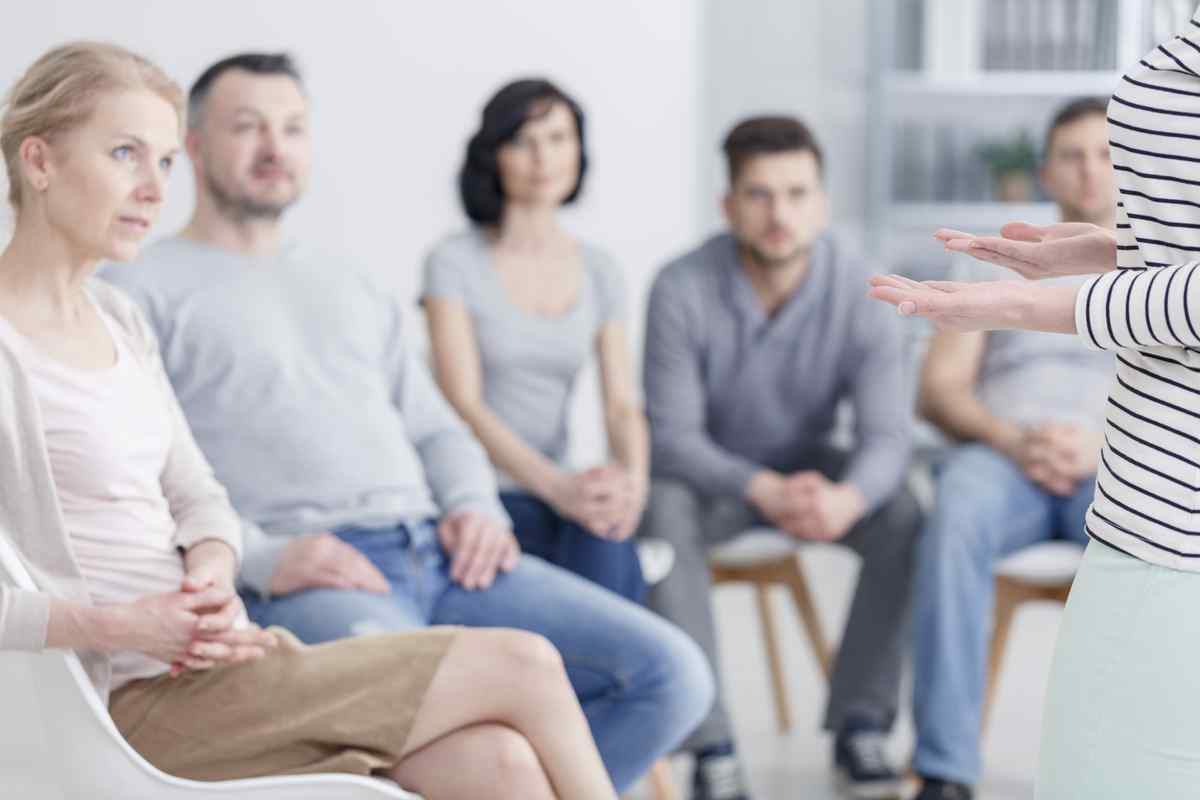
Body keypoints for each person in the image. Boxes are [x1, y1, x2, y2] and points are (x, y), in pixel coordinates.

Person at [0, 41, 619, 799]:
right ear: (39, 162)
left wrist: (213, 577)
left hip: (210, 665)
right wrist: (125, 628)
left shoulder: (118, 317)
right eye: (126, 153)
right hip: (121, 706)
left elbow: (198, 496)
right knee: (525, 664)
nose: (154, 189)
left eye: (164, 162)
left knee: (501, 764)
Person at [872, 12, 1200, 798]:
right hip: (1063, 469)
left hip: (1165, 513)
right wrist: (1103, 253)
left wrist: (1018, 304)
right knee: (955, 516)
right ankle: (945, 768)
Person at [640, 115, 922, 800]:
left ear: (821, 203)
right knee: (658, 509)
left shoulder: (865, 291)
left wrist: (847, 498)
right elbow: (673, 436)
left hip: (815, 466)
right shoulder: (680, 287)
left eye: (797, 194)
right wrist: (762, 489)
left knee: (904, 513)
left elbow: (888, 436)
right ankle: (711, 746)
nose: (779, 215)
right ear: (728, 205)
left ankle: (860, 722)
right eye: (759, 195)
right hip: (716, 475)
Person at [909, 97, 1115, 800]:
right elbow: (939, 389)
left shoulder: (1166, 273)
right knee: (951, 518)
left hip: (1116, 468)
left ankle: (1116, 768)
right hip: (1002, 459)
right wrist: (1014, 439)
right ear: (1044, 171)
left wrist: (1102, 449)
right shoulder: (991, 265)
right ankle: (943, 770)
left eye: (1107, 152)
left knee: (1167, 533)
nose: (1091, 171)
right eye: (1072, 155)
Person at [423, 78, 647, 603]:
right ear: (495, 156)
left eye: (559, 138)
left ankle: (614, 681)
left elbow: (620, 405)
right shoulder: (453, 262)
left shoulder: (599, 269)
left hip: (560, 488)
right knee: (599, 555)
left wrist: (632, 484)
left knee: (609, 528)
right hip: (485, 490)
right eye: (524, 141)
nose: (543, 157)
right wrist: (558, 489)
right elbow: (463, 404)